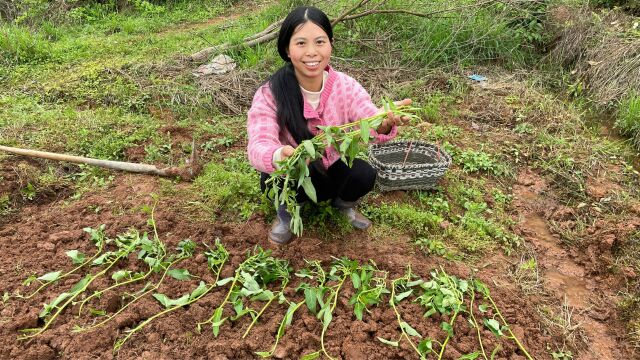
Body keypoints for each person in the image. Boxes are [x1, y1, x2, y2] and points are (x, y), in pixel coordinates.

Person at [247, 6, 411, 245]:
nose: (312, 52)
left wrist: (383, 121)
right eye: (301, 43)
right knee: (280, 179)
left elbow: (368, 115)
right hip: (295, 172)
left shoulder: (345, 86)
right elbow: (259, 142)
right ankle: (287, 214)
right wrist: (278, 155)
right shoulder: (270, 93)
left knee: (364, 174)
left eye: (320, 42)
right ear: (287, 49)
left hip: (331, 167)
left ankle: (343, 205)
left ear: (331, 44)